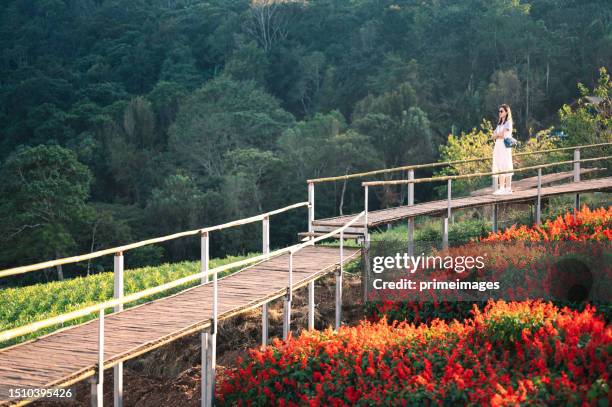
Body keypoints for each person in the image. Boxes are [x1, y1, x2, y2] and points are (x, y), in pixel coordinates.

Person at [491, 104, 514, 195]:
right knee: (499, 166)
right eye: (499, 111)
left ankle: (508, 188)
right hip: (498, 146)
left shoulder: (508, 122)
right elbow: (494, 135)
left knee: (506, 165)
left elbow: (502, 134)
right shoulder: (500, 123)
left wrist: (497, 135)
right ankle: (501, 188)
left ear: (506, 112)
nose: (500, 113)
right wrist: (498, 135)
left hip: (504, 146)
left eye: (501, 111)